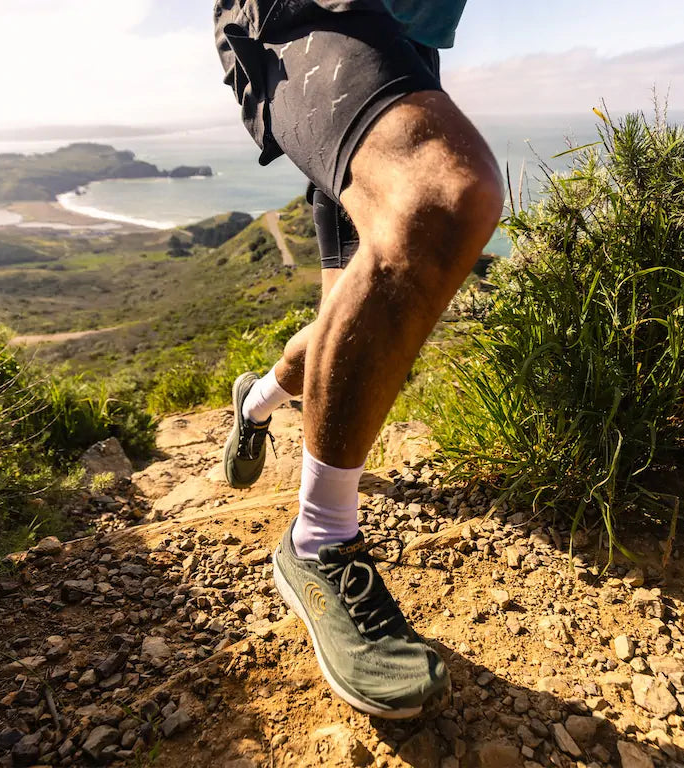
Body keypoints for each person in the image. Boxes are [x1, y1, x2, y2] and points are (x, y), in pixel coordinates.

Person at [213, 0, 503, 719]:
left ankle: (254, 402)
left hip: (399, 46)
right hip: (309, 18)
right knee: (438, 194)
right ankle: (319, 538)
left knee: (356, 328)